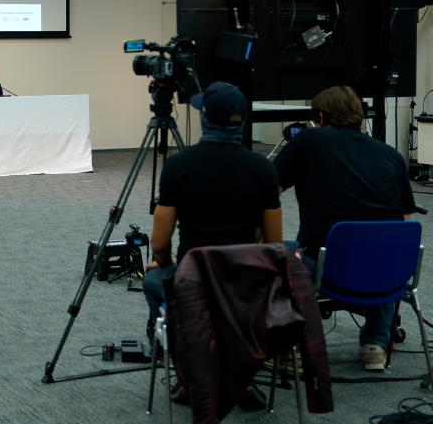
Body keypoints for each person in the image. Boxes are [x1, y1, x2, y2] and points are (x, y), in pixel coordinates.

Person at [273, 85, 417, 370]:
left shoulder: (308, 141)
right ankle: (376, 344)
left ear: (322, 116)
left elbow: (266, 194)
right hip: (390, 272)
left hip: (328, 267)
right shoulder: (391, 154)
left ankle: (295, 350)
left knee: (273, 252)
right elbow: (407, 221)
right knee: (378, 246)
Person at [144, 81, 282, 326]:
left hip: (194, 278)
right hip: (244, 278)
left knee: (153, 279)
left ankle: (183, 338)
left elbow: (159, 242)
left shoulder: (179, 166)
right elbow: (273, 243)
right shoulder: (263, 168)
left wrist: (163, 262)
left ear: (204, 118)